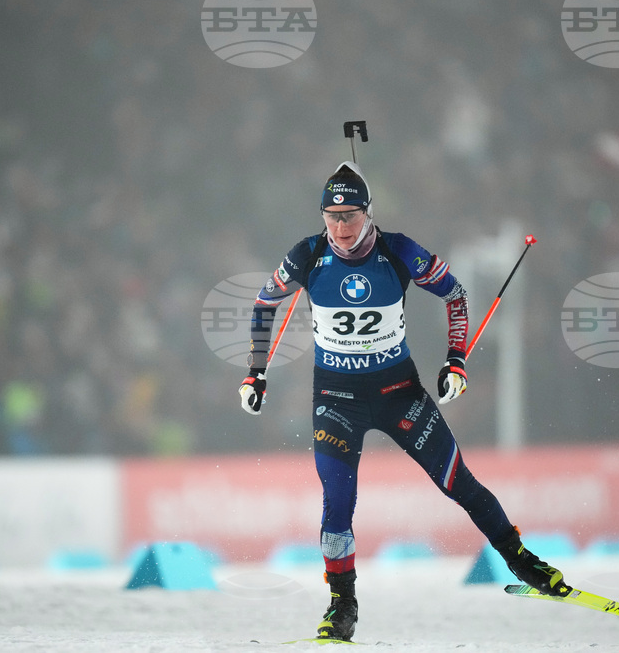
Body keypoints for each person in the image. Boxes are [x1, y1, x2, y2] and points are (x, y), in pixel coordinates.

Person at [238, 161, 570, 642]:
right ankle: (341, 605)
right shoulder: (306, 255)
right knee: (337, 503)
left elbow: (455, 295)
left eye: (351, 216)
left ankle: (523, 563)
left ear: (368, 213)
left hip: (399, 394)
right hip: (336, 399)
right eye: (332, 217)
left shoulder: (399, 250)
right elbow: (264, 303)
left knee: (459, 483)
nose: (341, 228)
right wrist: (255, 372)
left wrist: (456, 361)